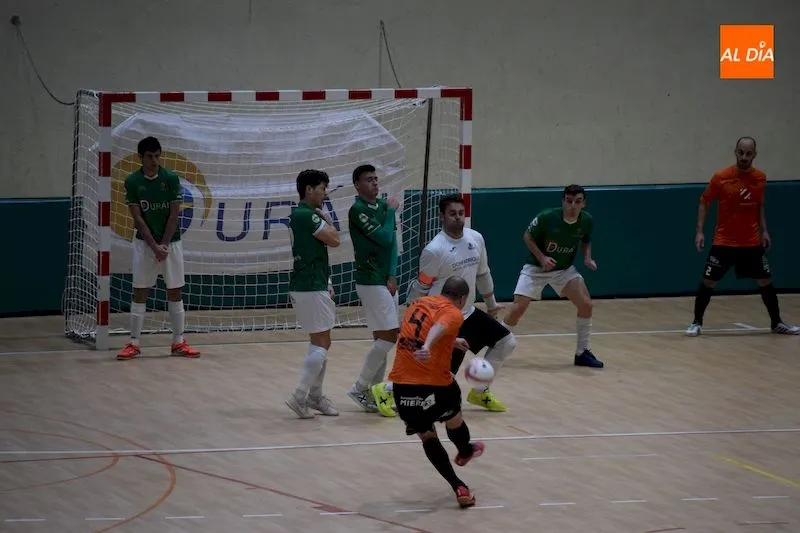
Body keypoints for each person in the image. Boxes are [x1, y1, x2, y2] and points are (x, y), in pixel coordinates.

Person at [373, 193, 515, 416]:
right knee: (436, 376)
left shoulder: (476, 238)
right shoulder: (435, 250)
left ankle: (480, 391)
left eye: (461, 213)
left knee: (506, 342)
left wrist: (491, 304)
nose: (458, 217)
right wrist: (412, 317)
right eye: (452, 214)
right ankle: (386, 389)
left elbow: (483, 273)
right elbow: (421, 287)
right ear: (441, 216)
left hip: (468, 313)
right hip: (444, 318)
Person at [387, 275, 485, 508]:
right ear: (462, 298)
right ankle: (464, 451)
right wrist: (429, 346)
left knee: (427, 435)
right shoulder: (454, 313)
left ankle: (458, 486)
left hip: (402, 386)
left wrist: (450, 341)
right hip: (435, 386)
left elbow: (418, 333)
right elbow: (440, 326)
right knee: (454, 418)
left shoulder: (418, 304)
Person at [687, 136, 799, 336]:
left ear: (754, 154)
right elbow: (704, 201)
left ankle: (777, 323)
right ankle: (696, 322)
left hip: (751, 242)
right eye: (741, 153)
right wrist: (699, 231)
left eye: (748, 153)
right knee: (708, 282)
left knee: (765, 281)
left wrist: (764, 230)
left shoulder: (760, 178)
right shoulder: (721, 177)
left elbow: (759, 205)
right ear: (735, 152)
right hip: (724, 242)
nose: (744, 157)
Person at [501, 184, 603, 368]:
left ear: (584, 203)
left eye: (577, 201)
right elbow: (527, 236)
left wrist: (587, 258)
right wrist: (542, 257)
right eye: (569, 201)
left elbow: (586, 240)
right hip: (536, 268)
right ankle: (497, 343)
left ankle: (582, 353)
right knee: (517, 309)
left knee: (586, 304)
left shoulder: (586, 220)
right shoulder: (547, 217)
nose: (573, 206)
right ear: (563, 201)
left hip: (563, 269)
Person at [117, 136, 200, 360]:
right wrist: (154, 246)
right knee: (140, 291)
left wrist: (163, 244)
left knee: (175, 290)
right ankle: (134, 343)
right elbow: (138, 219)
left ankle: (178, 342)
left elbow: (174, 215)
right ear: (140, 158)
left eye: (157, 156)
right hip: (145, 244)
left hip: (171, 242)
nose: (154, 161)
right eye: (150, 156)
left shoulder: (170, 179)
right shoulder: (133, 181)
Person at [285, 169, 342, 418]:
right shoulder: (305, 215)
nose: (324, 194)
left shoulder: (302, 215)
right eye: (322, 188)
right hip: (309, 285)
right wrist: (326, 219)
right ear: (309, 190)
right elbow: (335, 239)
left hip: (311, 283)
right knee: (322, 343)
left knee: (321, 342)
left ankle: (315, 396)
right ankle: (299, 396)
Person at [346, 164, 401, 413]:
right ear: (357, 185)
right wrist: (390, 213)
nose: (375, 183)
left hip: (385, 279)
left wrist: (392, 274)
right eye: (369, 179)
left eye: (376, 178)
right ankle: (359, 387)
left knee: (382, 338)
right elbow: (384, 238)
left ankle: (376, 392)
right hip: (369, 279)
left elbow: (393, 244)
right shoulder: (357, 210)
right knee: (390, 336)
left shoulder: (382, 206)